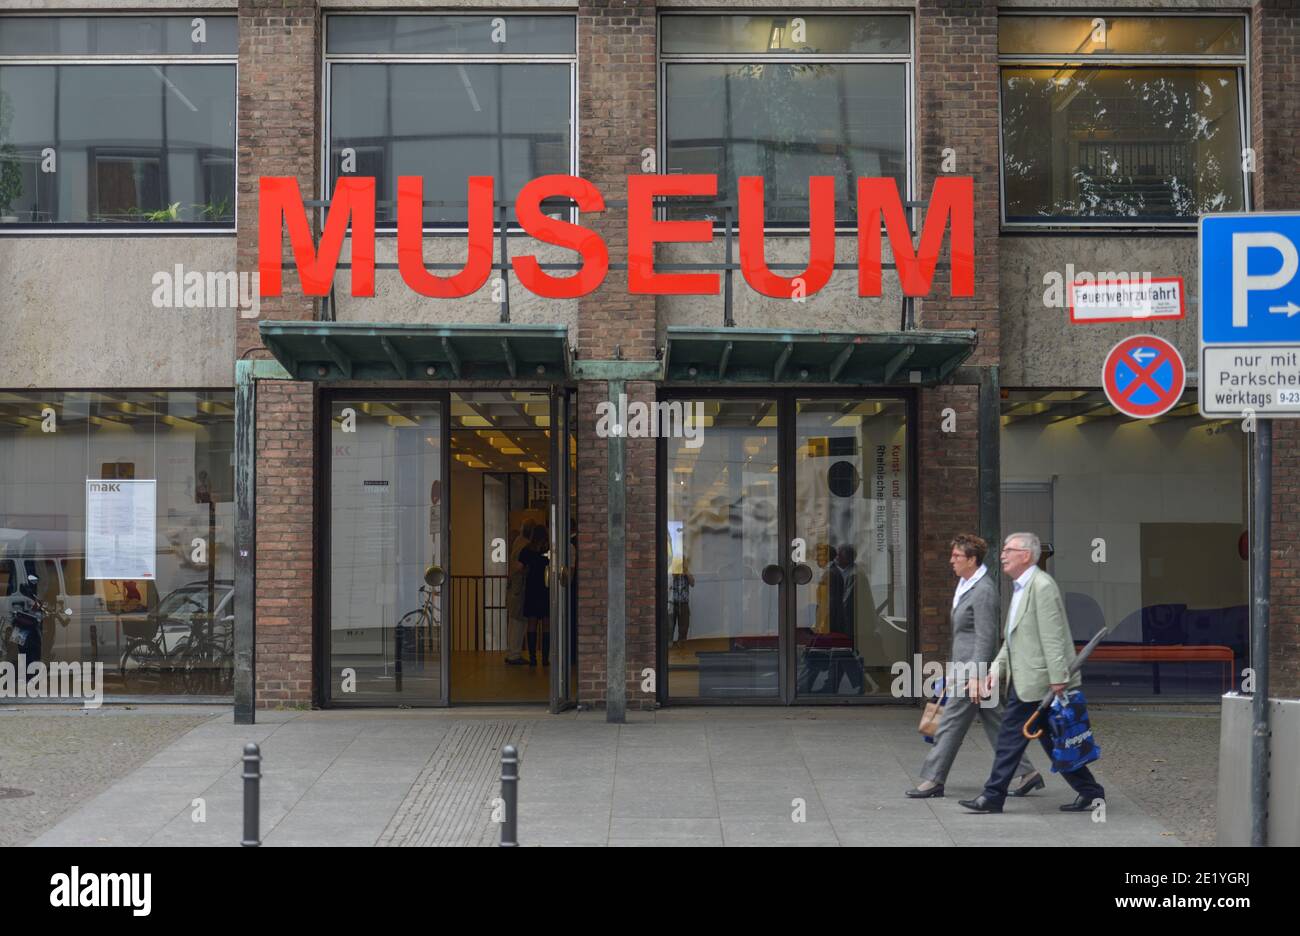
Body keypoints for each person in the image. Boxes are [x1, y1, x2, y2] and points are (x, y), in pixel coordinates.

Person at [959, 532, 1105, 814]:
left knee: (1010, 739)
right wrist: (996, 670)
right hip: (1027, 679)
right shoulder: (1021, 587)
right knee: (1051, 739)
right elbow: (1013, 638)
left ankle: (992, 796)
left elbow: (1053, 636)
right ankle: (1090, 791)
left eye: (1008, 550)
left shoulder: (1041, 586)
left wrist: (1058, 677)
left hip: (1039, 682)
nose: (1002, 554)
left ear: (1026, 555)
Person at [906, 534, 1040, 799]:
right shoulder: (965, 584)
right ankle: (1028, 773)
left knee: (949, 723)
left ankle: (933, 779)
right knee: (997, 722)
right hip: (965, 669)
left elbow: (986, 637)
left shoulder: (984, 590)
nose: (951, 560)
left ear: (972, 559)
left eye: (957, 556)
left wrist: (977, 676)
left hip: (973, 673)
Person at [518, 524, 551, 667]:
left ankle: (532, 658)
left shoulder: (526, 550)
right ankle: (545, 658)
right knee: (546, 624)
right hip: (545, 588)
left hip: (531, 588)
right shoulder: (548, 550)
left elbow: (520, 568)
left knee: (531, 623)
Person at [503, 519, 534, 666]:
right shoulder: (525, 545)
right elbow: (519, 566)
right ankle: (514, 654)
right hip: (519, 587)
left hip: (513, 587)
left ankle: (511, 651)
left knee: (513, 621)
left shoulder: (517, 542)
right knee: (519, 621)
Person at [668, 557, 694, 647]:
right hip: (672, 603)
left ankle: (681, 642)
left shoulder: (687, 573)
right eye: (679, 562)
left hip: (683, 603)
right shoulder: (672, 572)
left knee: (684, 624)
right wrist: (675, 573)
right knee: (670, 624)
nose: (681, 564)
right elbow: (669, 584)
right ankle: (669, 641)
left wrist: (686, 573)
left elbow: (692, 583)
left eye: (682, 562)